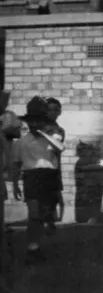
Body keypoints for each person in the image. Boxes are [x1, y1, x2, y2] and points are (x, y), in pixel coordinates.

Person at [11, 96, 65, 265]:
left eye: (38, 121)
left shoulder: (54, 135)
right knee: (34, 214)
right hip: (32, 177)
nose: (34, 125)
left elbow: (60, 148)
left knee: (43, 214)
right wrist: (14, 185)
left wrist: (44, 133)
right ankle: (32, 248)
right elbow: (16, 164)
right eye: (31, 121)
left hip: (49, 176)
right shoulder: (21, 142)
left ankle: (37, 243)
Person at [45, 97, 64, 235]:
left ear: (59, 112)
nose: (52, 112)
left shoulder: (59, 130)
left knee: (53, 195)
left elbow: (55, 149)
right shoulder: (37, 127)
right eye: (49, 109)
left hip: (53, 166)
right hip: (36, 166)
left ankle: (49, 221)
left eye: (55, 110)